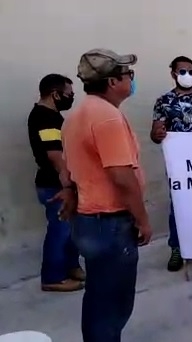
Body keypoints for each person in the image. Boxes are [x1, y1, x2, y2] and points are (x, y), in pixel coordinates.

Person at [61, 48, 153, 342]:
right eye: (129, 75)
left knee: (99, 296)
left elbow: (71, 168)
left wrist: (71, 191)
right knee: (114, 303)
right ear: (113, 82)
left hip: (89, 219)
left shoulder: (77, 115)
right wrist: (143, 219)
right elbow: (122, 177)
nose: (131, 80)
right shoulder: (108, 118)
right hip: (111, 223)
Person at [149, 56, 192, 272]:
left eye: (191, 71)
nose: (187, 75)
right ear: (173, 74)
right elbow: (156, 132)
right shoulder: (164, 102)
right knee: (178, 206)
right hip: (178, 165)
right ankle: (177, 248)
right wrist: (157, 134)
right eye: (182, 71)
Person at [27, 74, 84, 292]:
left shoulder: (52, 115)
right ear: (55, 94)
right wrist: (67, 184)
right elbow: (54, 154)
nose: (71, 98)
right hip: (55, 184)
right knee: (59, 231)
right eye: (69, 94)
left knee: (69, 230)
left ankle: (71, 267)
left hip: (60, 183)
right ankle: (52, 277)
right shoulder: (45, 117)